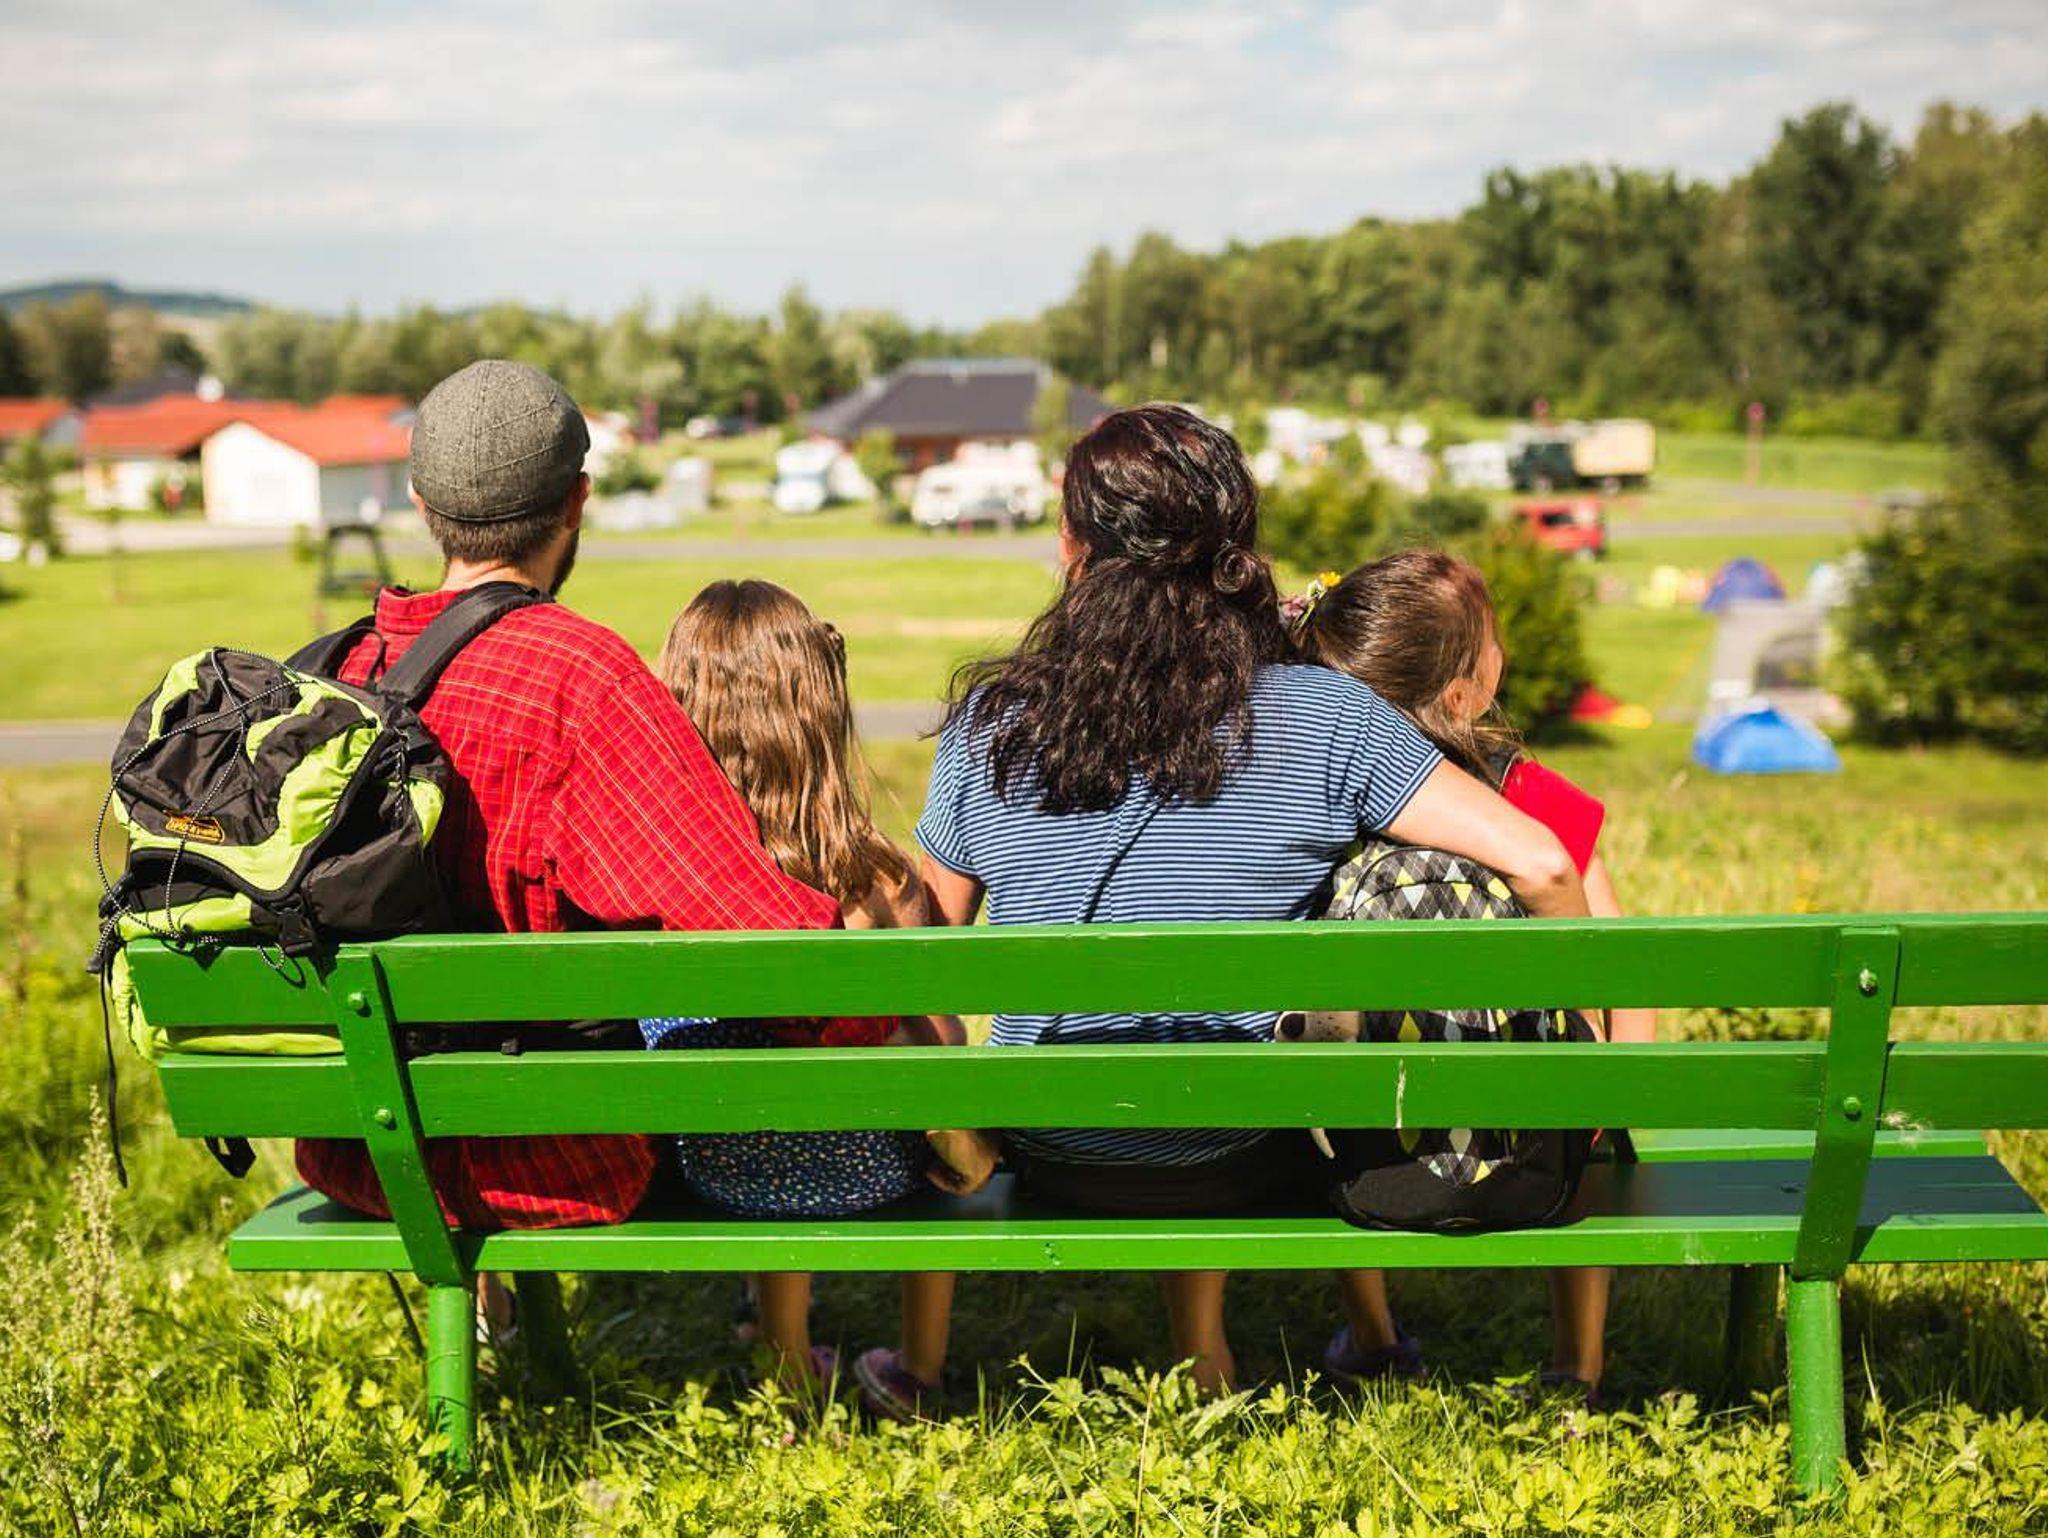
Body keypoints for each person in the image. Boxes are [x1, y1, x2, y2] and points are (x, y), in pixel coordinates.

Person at [912, 404, 1590, 1394]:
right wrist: (1576, 1051)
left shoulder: (992, 722)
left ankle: (1195, 1352)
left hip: (1052, 1147)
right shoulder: (1325, 714)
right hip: (1248, 1149)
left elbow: (921, 957)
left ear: (1070, 546)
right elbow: (1545, 865)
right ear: (1239, 550)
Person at [294, 362, 841, 1253]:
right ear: (577, 501)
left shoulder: (338, 671)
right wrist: (883, 1034)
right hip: (552, 1162)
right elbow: (756, 932)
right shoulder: (579, 678)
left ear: (421, 504)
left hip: (358, 1150)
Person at [1291, 548, 1655, 1403]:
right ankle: (1577, 1366)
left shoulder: (1326, 795)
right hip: (1540, 1147)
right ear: (1464, 695)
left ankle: (1376, 1338)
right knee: (1578, 1094)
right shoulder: (1531, 797)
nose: (1504, 650)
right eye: (1491, 639)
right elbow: (1618, 962)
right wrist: (1613, 1090)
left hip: (1368, 1150)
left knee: (1327, 1085)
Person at [643, 580, 987, 1409]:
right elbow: (939, 1042)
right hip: (872, 1170)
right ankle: (919, 1368)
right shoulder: (879, 881)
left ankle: (787, 1363)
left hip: (714, 1166)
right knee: (922, 1091)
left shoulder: (666, 878)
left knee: (761, 1100)